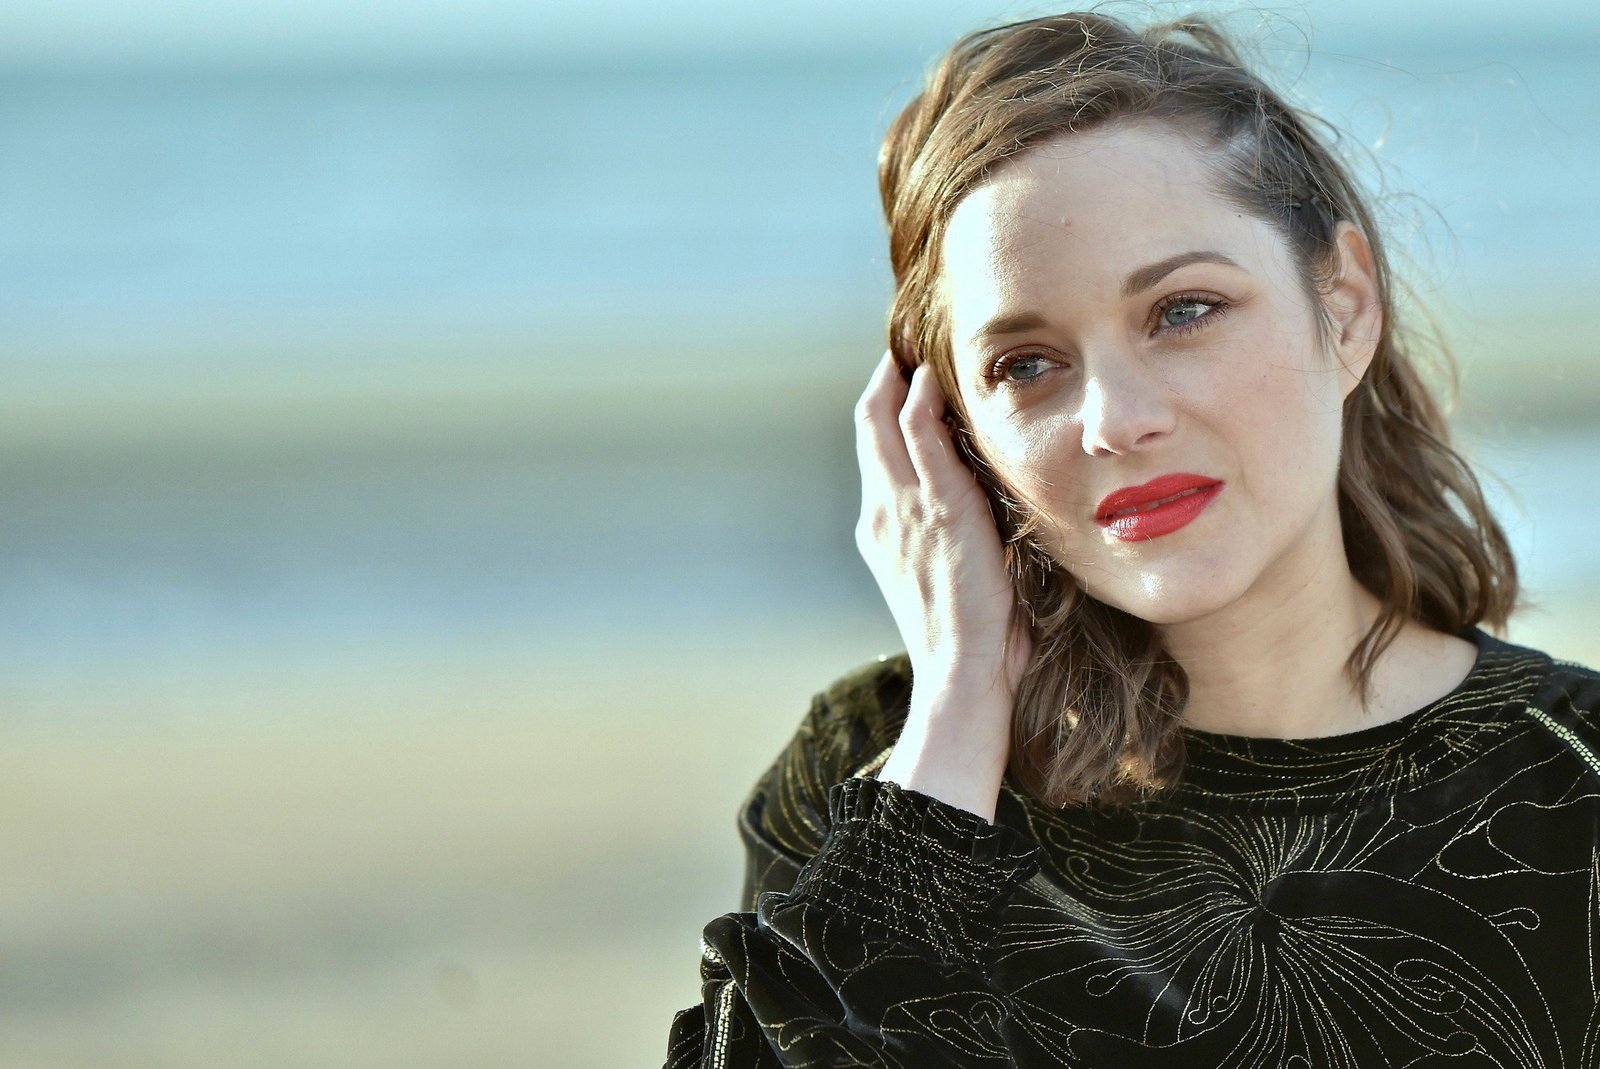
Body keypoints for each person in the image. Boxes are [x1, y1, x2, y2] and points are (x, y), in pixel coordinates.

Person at [664, 11, 1600, 1067]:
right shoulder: (881, 772)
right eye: (1024, 365)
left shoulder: (1575, 787)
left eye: (1183, 309)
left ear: (1342, 304)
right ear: (949, 431)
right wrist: (961, 700)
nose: (1113, 419)